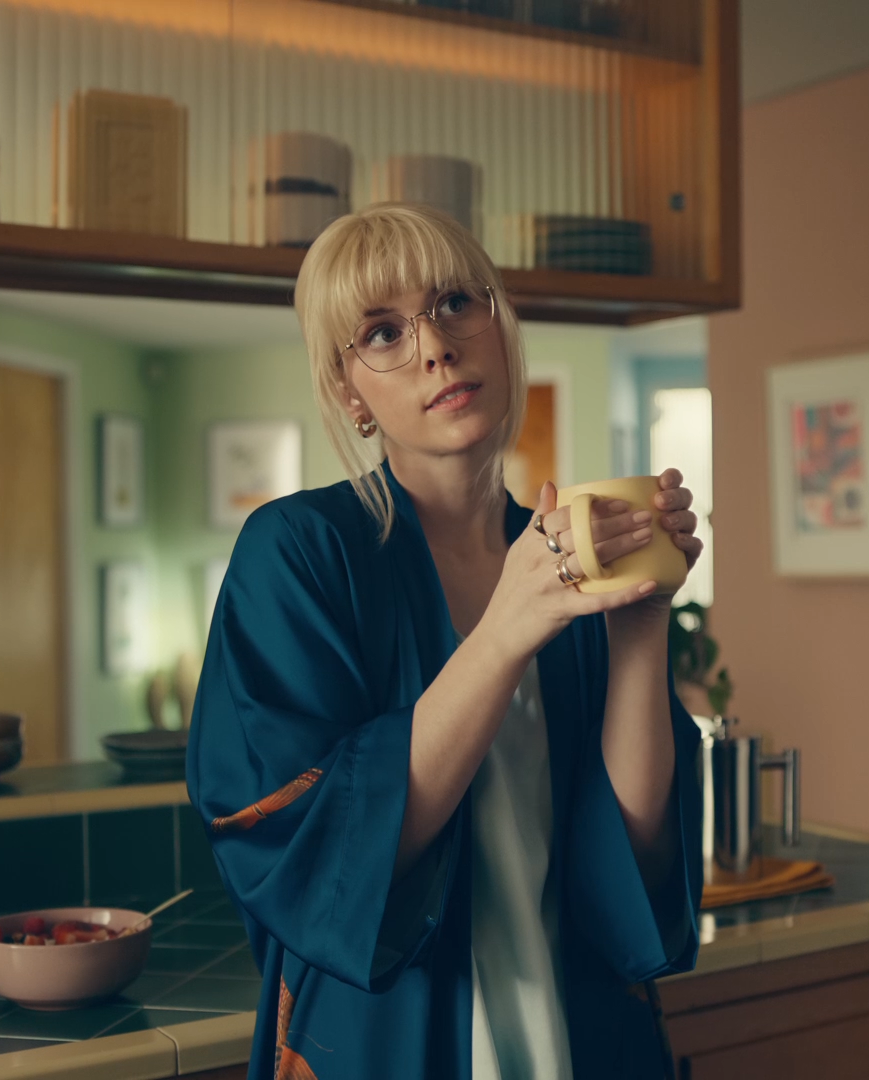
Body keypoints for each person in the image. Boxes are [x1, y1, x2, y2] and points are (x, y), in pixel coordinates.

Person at [187, 203, 704, 1080]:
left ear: (501, 328)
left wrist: (640, 621)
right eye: (383, 333)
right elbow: (325, 851)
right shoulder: (300, 553)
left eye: (457, 302)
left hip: (578, 1038)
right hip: (388, 1045)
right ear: (351, 392)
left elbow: (635, 851)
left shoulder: (550, 549)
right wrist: (508, 628)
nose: (435, 346)